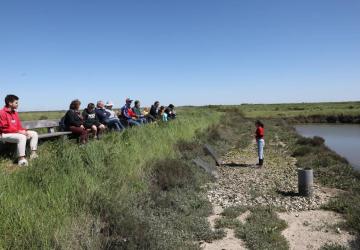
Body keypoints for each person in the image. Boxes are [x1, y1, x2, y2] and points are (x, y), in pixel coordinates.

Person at [0, 95, 38, 166]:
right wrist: (20, 132)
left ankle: (33, 154)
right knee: (22, 137)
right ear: (10, 103)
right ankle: (21, 159)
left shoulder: (15, 113)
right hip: (4, 134)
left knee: (34, 133)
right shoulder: (2, 113)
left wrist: (25, 132)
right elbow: (4, 128)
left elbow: (19, 127)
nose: (18, 104)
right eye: (16, 103)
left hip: (15, 133)